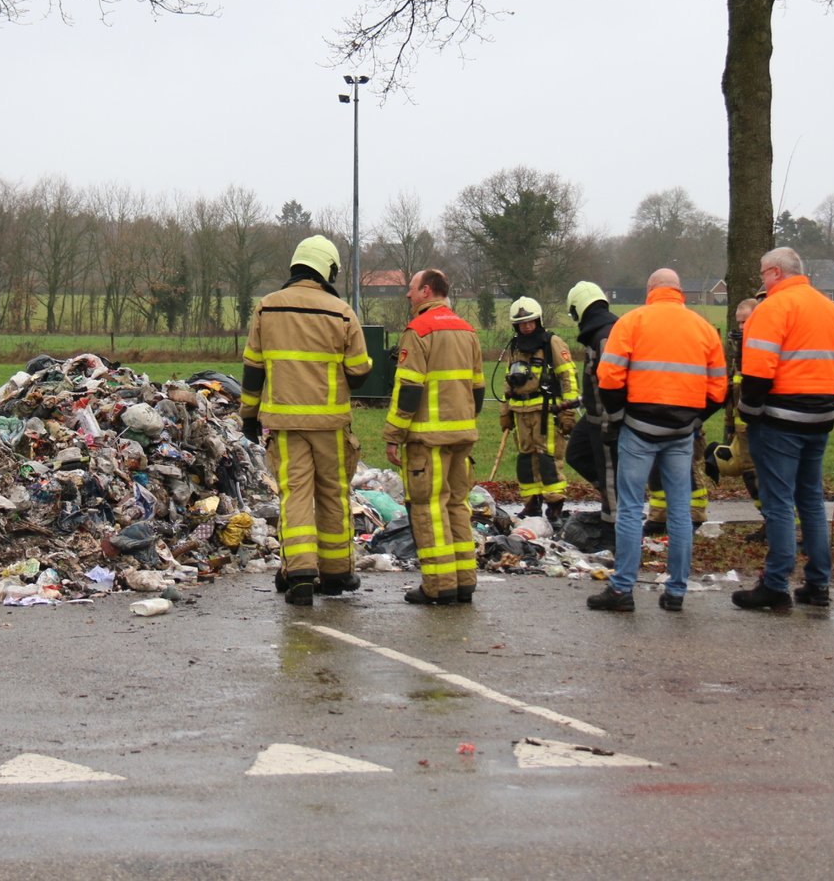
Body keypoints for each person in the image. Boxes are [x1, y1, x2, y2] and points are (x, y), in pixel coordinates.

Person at [240, 235, 374, 607]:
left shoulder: (267, 309)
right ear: (327, 268)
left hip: (284, 423)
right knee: (333, 495)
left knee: (295, 494)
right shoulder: (342, 312)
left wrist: (249, 417)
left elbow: (253, 371)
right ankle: (336, 574)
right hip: (330, 425)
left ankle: (299, 573)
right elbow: (360, 371)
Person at [587, 268, 726, 613]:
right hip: (681, 432)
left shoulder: (632, 322)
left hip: (639, 427)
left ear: (651, 290)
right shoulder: (703, 328)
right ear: (679, 291)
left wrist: (618, 417)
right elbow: (719, 389)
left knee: (632, 508)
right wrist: (695, 420)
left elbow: (609, 377)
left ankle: (622, 590)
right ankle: (676, 591)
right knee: (680, 511)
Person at [732, 248, 834, 612]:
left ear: (775, 272)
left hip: (782, 417)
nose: (761, 281)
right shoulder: (830, 309)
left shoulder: (772, 309)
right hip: (822, 415)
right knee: (811, 500)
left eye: (764, 274)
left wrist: (748, 414)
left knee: (779, 501)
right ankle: (818, 583)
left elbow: (758, 371)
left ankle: (775, 582)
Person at [384, 269, 485, 605]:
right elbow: (479, 389)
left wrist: (393, 433)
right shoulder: (467, 330)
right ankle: (464, 580)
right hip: (463, 434)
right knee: (457, 504)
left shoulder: (419, 330)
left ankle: (439, 584)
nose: (408, 295)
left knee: (429, 507)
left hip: (428, 440)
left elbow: (409, 390)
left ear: (426, 291)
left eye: (411, 289)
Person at [498, 296, 580, 524]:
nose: (526, 326)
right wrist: (505, 411)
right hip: (521, 412)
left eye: (530, 321)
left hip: (546, 412)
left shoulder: (551, 343)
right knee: (526, 459)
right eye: (522, 323)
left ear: (538, 321)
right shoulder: (514, 346)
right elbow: (508, 383)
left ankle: (554, 504)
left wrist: (568, 412)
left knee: (548, 459)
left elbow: (568, 377)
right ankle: (532, 502)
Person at [563, 281, 620, 523]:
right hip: (594, 416)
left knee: (609, 474)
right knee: (576, 453)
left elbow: (612, 380)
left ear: (578, 310)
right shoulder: (598, 333)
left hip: (607, 419)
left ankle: (614, 528)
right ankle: (613, 503)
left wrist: (612, 421)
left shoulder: (605, 334)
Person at [704, 298, 764, 523]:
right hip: (741, 425)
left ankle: (774, 523)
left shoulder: (758, 349)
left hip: (755, 425)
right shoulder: (739, 351)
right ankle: (771, 521)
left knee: (753, 474)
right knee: (743, 470)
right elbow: (733, 389)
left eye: (745, 322)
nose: (740, 327)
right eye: (738, 323)